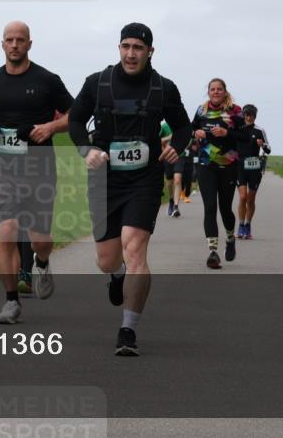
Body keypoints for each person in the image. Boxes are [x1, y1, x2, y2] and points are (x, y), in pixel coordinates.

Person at [69, 23, 191, 356]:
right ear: (118, 48)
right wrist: (86, 149)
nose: (131, 53)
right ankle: (117, 275)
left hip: (144, 178)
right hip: (105, 177)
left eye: (138, 47)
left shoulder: (163, 88)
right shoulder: (97, 83)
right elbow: (75, 120)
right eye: (126, 46)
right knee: (107, 259)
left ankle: (128, 329)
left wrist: (177, 146)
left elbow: (183, 127)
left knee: (134, 248)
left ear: (150, 51)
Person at [0, 21, 73, 324]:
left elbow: (75, 114)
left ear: (29, 44)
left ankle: (41, 262)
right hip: (3, 167)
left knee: (40, 238)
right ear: (2, 44)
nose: (14, 45)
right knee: (7, 231)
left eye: (20, 40)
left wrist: (51, 127)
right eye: (9, 40)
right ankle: (11, 301)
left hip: (39, 167)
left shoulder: (47, 80)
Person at [191, 78, 244, 269]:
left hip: (228, 164)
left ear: (225, 91)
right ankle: (212, 251)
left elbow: (244, 136)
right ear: (208, 92)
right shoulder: (201, 110)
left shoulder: (235, 111)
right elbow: (191, 129)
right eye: (212, 89)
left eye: (219, 89)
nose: (215, 92)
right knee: (210, 207)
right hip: (206, 164)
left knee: (225, 208)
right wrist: (196, 133)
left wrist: (226, 133)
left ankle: (230, 238)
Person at [236, 104, 271, 240]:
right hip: (240, 166)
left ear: (255, 116)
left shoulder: (259, 130)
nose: (249, 117)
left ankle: (248, 225)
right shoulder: (238, 129)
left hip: (254, 167)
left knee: (251, 199)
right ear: (243, 115)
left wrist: (262, 145)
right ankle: (240, 225)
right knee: (242, 197)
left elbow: (268, 149)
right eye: (247, 114)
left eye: (251, 115)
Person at [160, 120, 183, 217]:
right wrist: (170, 137)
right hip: (168, 156)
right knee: (169, 183)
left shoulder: (182, 124)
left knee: (177, 180)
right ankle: (171, 201)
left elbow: (188, 139)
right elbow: (160, 140)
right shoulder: (164, 126)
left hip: (179, 155)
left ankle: (176, 207)